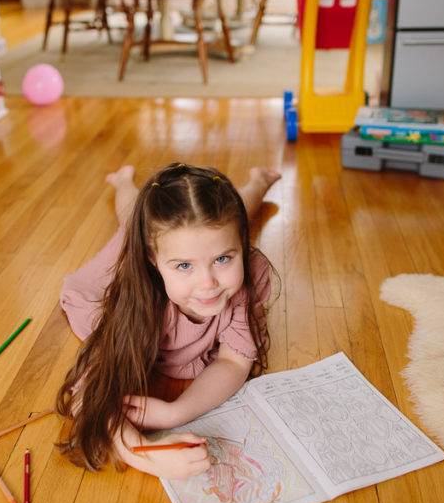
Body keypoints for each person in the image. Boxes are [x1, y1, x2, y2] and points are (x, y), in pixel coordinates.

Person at [56, 162, 281, 479]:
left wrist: (177, 412)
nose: (207, 283)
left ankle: (258, 181)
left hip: (199, 235)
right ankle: (123, 181)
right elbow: (89, 396)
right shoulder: (136, 291)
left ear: (242, 244)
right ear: (154, 262)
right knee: (131, 219)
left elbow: (234, 361)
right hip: (122, 267)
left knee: (232, 213)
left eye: (222, 259)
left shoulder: (250, 271)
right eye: (184, 266)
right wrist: (145, 456)